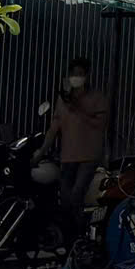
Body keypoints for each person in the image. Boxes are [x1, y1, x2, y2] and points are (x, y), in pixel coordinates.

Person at [44, 57, 111, 235]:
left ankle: (81, 235)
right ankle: (69, 237)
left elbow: (100, 124)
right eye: (73, 74)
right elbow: (54, 127)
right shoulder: (63, 100)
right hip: (68, 157)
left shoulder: (97, 98)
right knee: (65, 200)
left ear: (86, 76)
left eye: (80, 74)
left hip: (88, 157)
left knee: (76, 195)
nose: (76, 78)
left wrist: (77, 108)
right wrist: (41, 152)